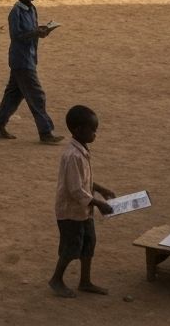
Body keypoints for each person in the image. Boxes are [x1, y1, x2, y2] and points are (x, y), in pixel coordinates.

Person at [48, 104, 116, 298]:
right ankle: (56, 279)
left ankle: (85, 281)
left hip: (83, 211)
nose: (95, 134)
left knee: (89, 243)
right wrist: (98, 203)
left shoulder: (82, 151)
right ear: (78, 130)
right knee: (71, 248)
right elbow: (76, 189)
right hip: (70, 212)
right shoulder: (72, 156)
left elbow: (85, 181)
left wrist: (101, 189)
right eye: (92, 130)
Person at [0, 0, 62, 144]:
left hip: (27, 58)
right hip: (22, 60)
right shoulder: (16, 12)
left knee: (14, 94)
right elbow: (17, 36)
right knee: (37, 95)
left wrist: (41, 32)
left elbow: (31, 32)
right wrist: (35, 33)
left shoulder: (32, 9)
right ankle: (45, 132)